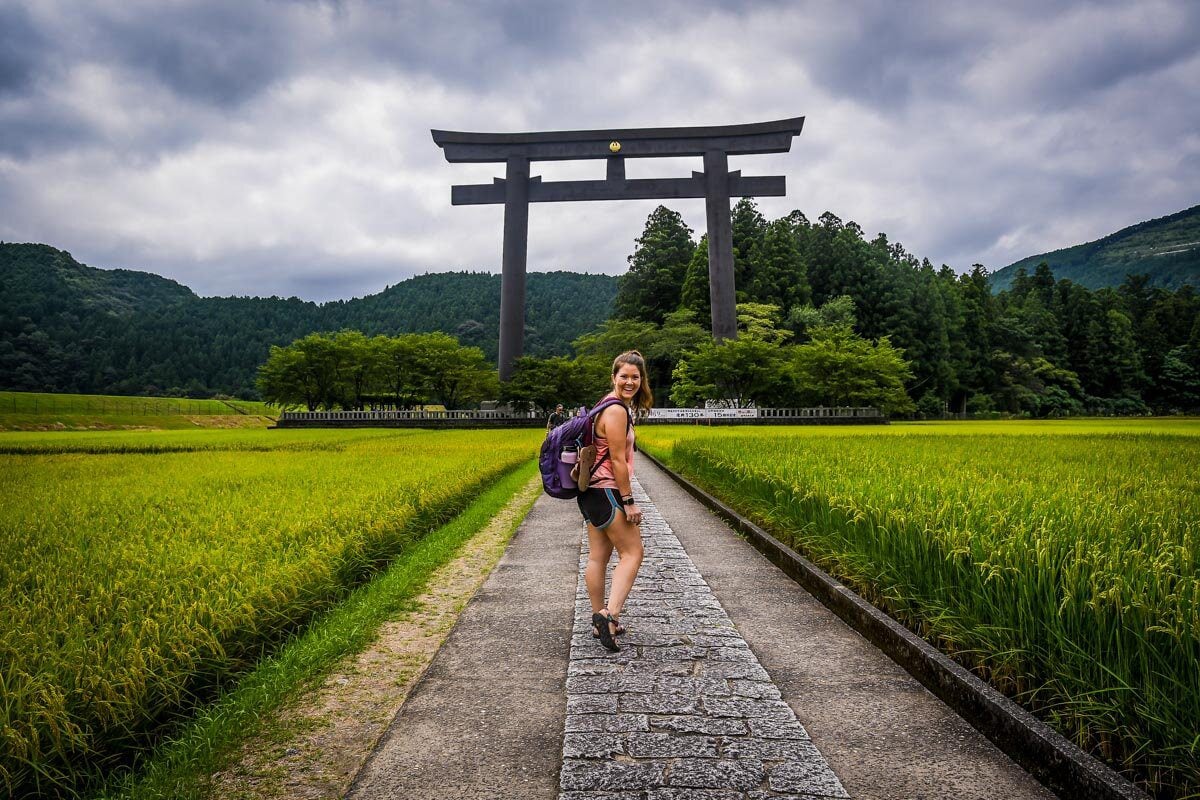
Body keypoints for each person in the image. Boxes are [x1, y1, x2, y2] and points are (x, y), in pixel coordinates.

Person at [577, 350, 653, 652]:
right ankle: (610, 615)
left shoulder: (603, 404)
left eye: (635, 377)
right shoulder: (617, 411)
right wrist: (629, 501)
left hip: (590, 493)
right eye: (624, 376)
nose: (630, 382)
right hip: (608, 491)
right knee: (633, 552)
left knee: (598, 557)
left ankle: (599, 619)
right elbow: (618, 461)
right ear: (614, 377)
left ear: (642, 380)